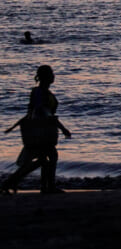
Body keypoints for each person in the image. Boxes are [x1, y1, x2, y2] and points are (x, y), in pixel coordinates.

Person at [1, 65, 71, 194]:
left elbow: (37, 111)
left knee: (44, 159)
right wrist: (62, 127)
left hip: (44, 129)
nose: (53, 76)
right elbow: (42, 111)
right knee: (49, 156)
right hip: (40, 131)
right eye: (51, 73)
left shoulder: (41, 92)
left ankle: (41, 186)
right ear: (46, 77)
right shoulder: (40, 92)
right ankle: (46, 187)